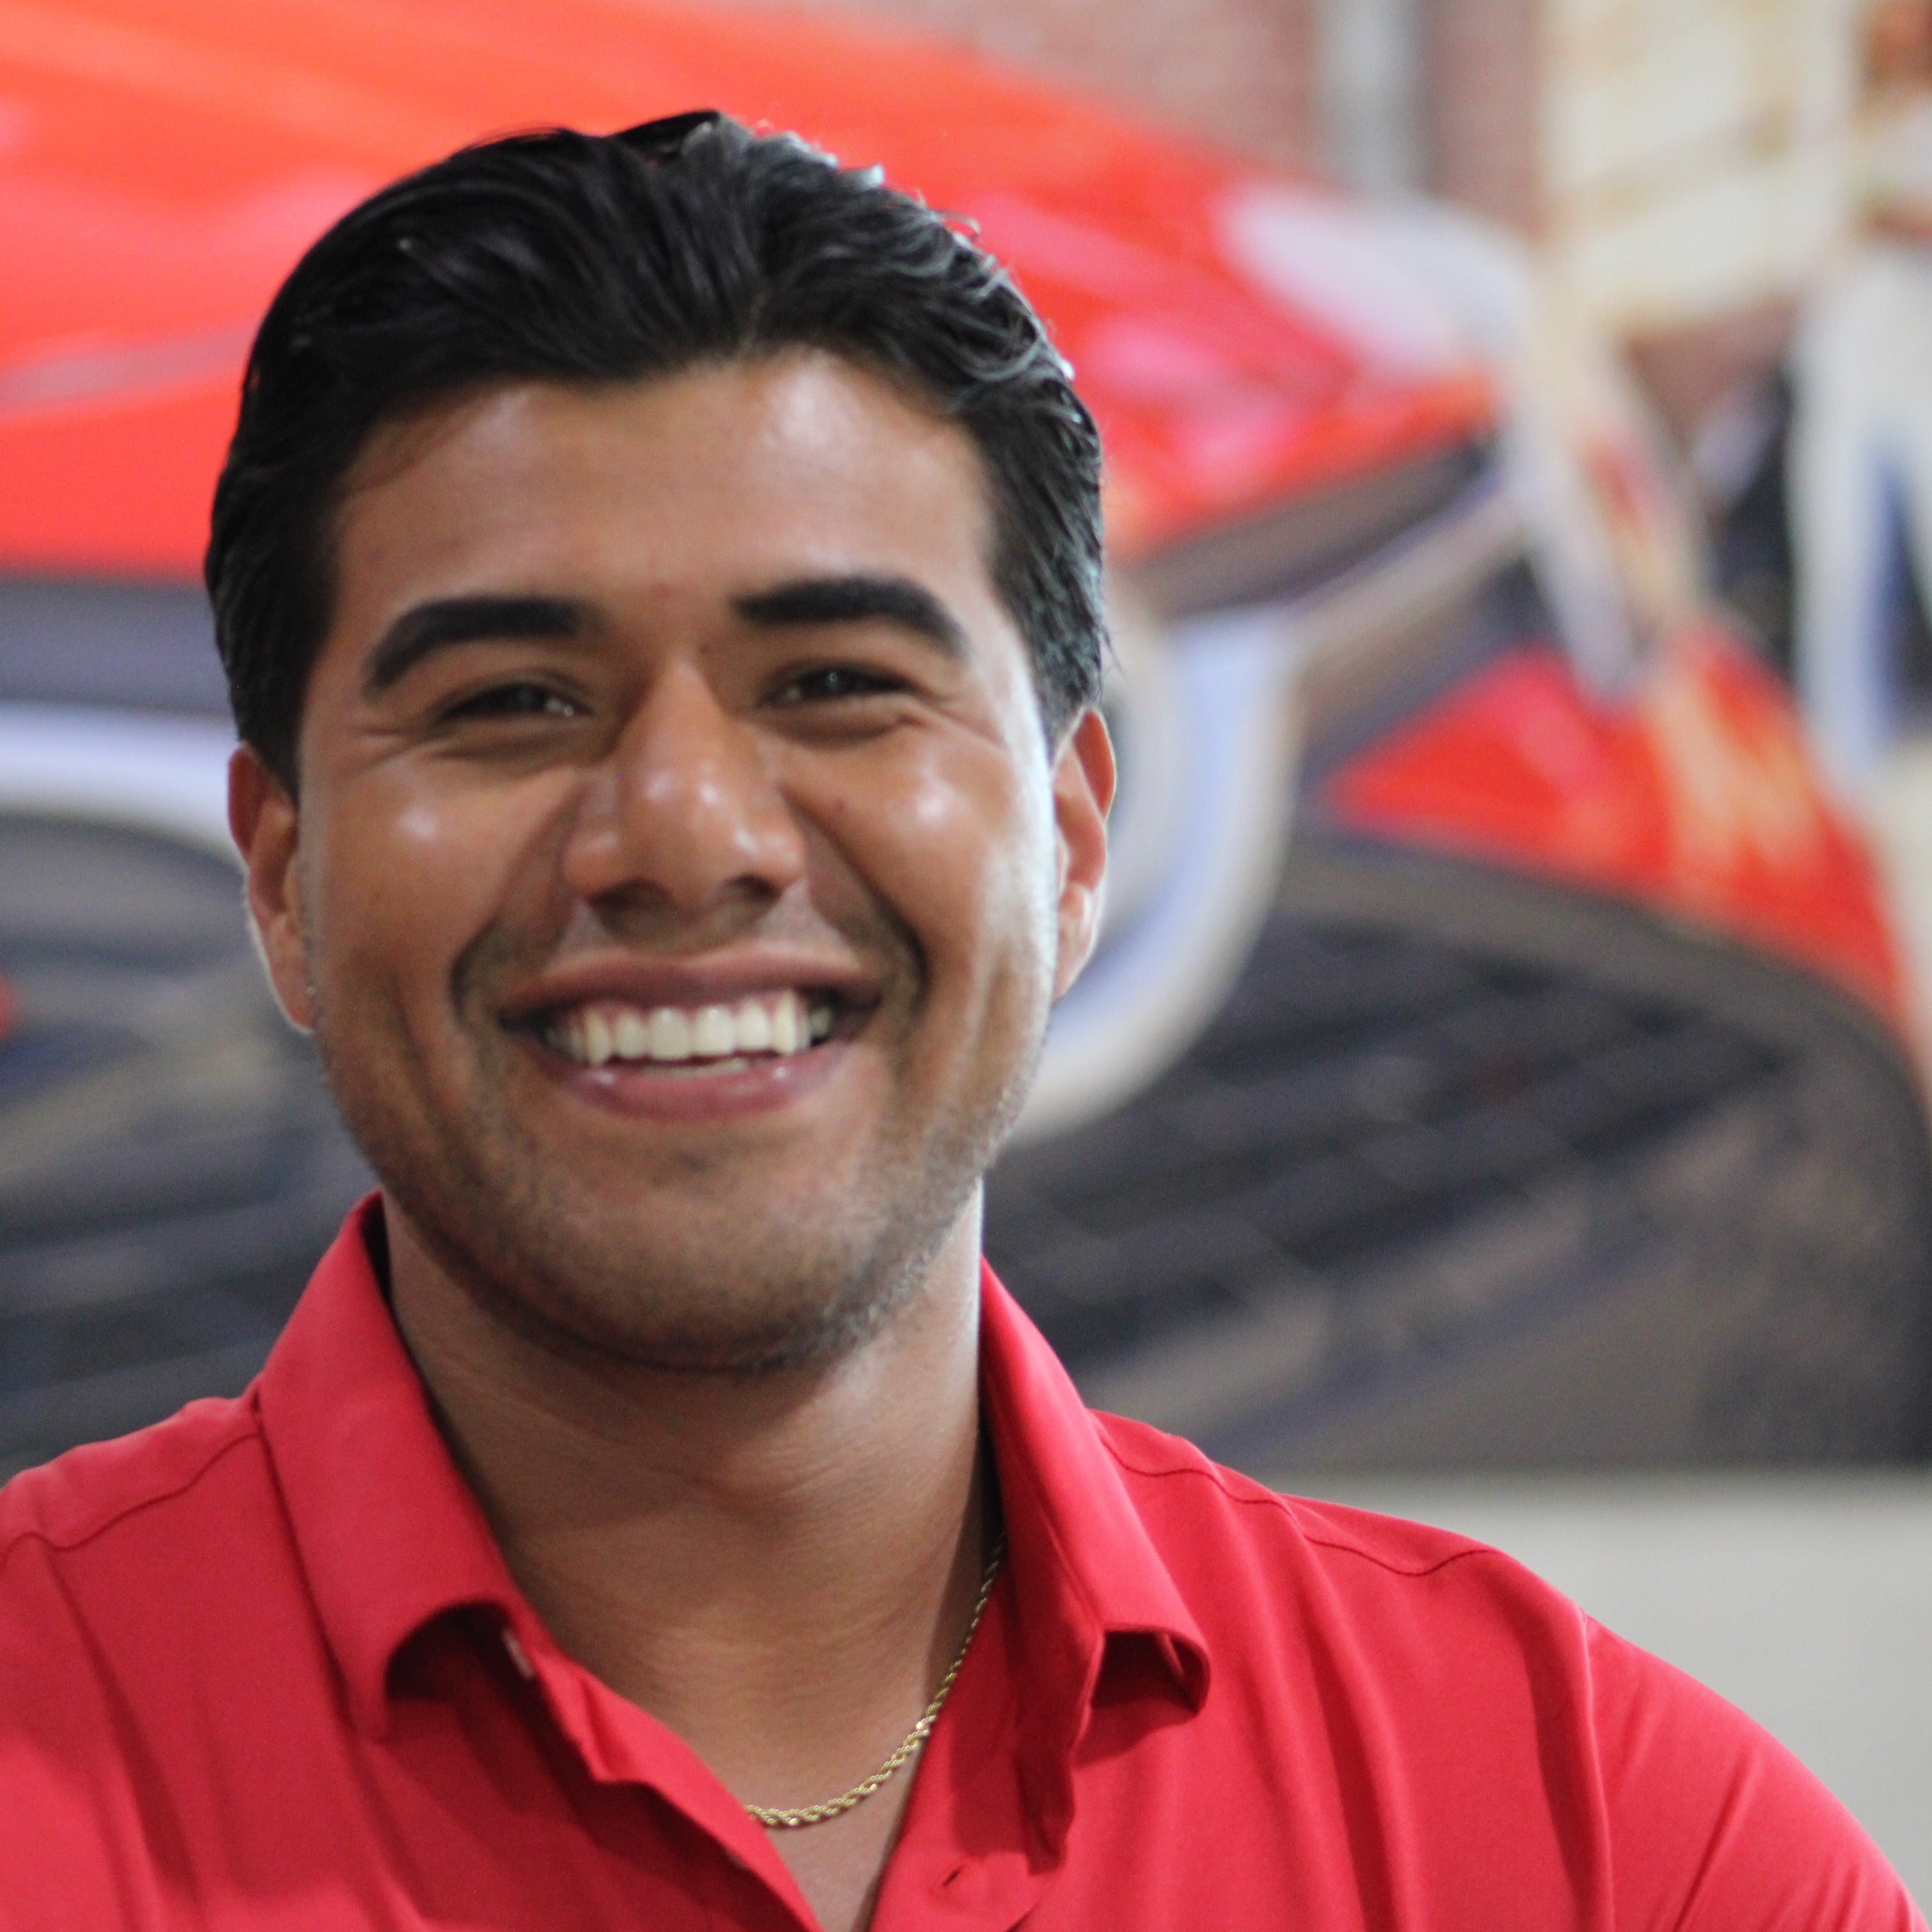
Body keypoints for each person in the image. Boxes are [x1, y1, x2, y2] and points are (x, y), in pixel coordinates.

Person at [0, 113, 1917, 1932]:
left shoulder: (1601, 1845)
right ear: (283, 873)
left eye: (834, 681)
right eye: (512, 702)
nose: (687, 834)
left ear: (1073, 839)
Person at [1790, 0, 1932, 799]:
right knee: (1841, 572)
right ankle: (1842, 770)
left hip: (1922, 372)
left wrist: (1897, 218)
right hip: (1847, 373)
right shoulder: (1848, 115)